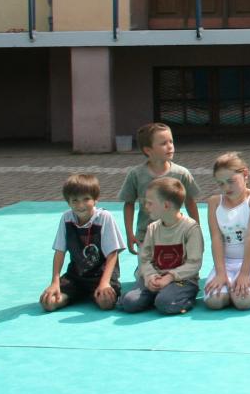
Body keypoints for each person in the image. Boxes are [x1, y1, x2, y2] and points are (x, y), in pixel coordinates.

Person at [40, 173, 122, 312]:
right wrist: (55, 282)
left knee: (106, 303)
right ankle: (78, 294)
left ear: (96, 200)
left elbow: (113, 253)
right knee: (48, 302)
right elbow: (60, 252)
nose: (80, 205)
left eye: (86, 199)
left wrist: (104, 283)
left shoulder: (104, 217)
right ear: (68, 202)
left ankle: (92, 294)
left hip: (101, 277)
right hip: (76, 276)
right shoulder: (66, 218)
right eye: (75, 200)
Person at [120, 177, 203, 314]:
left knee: (164, 303)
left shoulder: (190, 228)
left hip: (182, 280)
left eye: (150, 203)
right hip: (156, 277)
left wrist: (169, 277)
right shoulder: (152, 228)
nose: (146, 207)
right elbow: (144, 258)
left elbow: (194, 263)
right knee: (129, 302)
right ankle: (158, 295)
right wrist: (150, 276)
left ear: (166, 205)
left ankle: (177, 298)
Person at [119, 122, 201, 254]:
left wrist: (196, 231)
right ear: (148, 150)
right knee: (147, 272)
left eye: (171, 142)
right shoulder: (136, 175)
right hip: (146, 235)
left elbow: (190, 202)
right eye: (163, 143)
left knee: (176, 269)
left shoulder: (181, 173)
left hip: (176, 234)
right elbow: (129, 204)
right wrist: (130, 234)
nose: (170, 147)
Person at [203, 153, 250, 311]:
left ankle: (243, 283)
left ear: (245, 174)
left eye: (231, 182)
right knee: (215, 301)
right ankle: (227, 286)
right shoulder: (214, 202)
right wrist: (221, 273)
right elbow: (216, 238)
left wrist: (245, 273)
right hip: (226, 262)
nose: (226, 188)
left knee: (243, 301)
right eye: (221, 184)